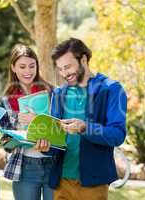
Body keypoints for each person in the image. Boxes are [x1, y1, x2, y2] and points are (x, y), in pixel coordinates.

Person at [49, 38, 127, 200]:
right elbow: (54, 135)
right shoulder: (59, 93)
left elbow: (117, 134)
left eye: (68, 66)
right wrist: (42, 143)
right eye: (60, 69)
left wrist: (85, 128)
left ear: (83, 59)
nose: (64, 74)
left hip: (93, 184)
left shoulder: (111, 89)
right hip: (61, 182)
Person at [0, 44, 55, 200]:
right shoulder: (6, 101)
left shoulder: (51, 93)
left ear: (37, 66)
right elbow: (4, 142)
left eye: (32, 66)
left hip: (53, 164)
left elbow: (61, 128)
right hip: (24, 167)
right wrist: (19, 133)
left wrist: (39, 122)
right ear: (13, 68)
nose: (28, 71)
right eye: (22, 67)